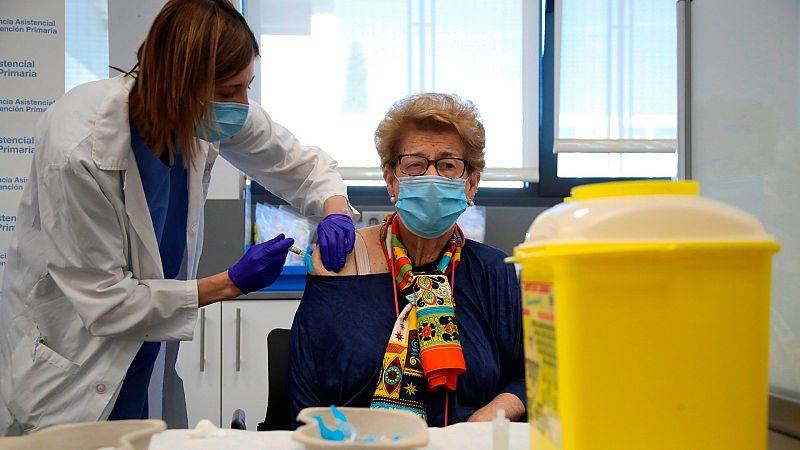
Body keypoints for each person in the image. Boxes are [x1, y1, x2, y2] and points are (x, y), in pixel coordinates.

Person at [0, 0, 356, 435]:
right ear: (178, 83)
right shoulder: (79, 147)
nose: (242, 105)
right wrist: (231, 282)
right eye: (229, 91)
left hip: (146, 347)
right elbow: (107, 302)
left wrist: (335, 210)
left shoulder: (204, 113)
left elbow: (301, 165)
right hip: (72, 363)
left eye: (247, 86)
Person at [289, 93, 526, 427]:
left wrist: (482, 422)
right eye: (415, 164)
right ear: (391, 181)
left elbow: (525, 377)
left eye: (448, 165)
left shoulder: (494, 272)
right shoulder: (342, 265)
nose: (432, 176)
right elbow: (305, 397)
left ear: (471, 184)